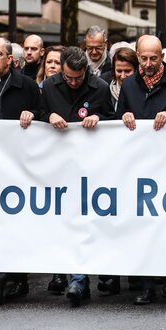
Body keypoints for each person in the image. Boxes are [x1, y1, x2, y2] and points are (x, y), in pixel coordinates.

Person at [117, 35, 166, 305]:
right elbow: (118, 116)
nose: (147, 63)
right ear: (137, 55)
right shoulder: (129, 85)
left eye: (153, 58)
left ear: (161, 57)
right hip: (138, 164)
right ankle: (146, 285)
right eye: (143, 58)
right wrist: (122, 115)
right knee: (143, 225)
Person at [0, 37, 43, 306]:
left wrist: (32, 115)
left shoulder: (26, 86)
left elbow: (43, 112)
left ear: (11, 59)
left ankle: (12, 279)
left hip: (17, 167)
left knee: (13, 223)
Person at [41, 46, 114, 307]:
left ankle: (79, 279)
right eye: (68, 77)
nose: (73, 82)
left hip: (89, 168)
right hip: (57, 166)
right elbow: (36, 115)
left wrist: (98, 117)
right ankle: (73, 277)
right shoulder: (49, 87)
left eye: (78, 77)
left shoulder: (100, 88)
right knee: (64, 222)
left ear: (86, 70)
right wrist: (48, 115)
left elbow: (111, 119)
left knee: (84, 221)